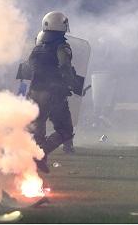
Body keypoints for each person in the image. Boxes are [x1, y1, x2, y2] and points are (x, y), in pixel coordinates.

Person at [27, 11, 81, 173]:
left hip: (35, 92)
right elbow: (64, 67)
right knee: (65, 130)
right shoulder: (62, 47)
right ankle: (40, 154)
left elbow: (29, 69)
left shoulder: (37, 48)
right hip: (53, 93)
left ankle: (35, 161)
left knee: (38, 128)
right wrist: (72, 83)